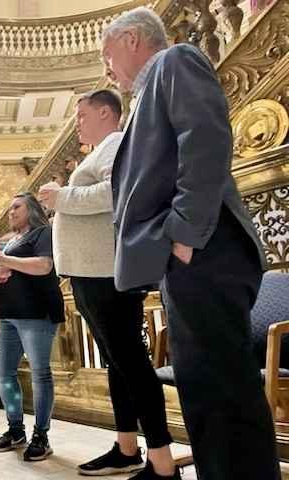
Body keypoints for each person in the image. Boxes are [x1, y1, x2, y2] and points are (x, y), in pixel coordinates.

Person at [102, 7, 280, 480]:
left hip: (206, 248)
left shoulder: (175, 60)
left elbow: (205, 138)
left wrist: (184, 232)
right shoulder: (150, 88)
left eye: (108, 55)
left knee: (222, 394)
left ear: (133, 40)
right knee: (206, 391)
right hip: (193, 254)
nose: (107, 69)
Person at [38, 90, 178, 479]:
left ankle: (163, 463)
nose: (77, 122)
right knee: (119, 364)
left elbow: (117, 194)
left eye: (82, 115)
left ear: (105, 112)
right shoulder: (100, 150)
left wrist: (61, 196)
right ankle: (126, 447)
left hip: (105, 273)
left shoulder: (115, 144)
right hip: (92, 271)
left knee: (131, 363)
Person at [0, 192, 64, 462]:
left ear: (31, 209)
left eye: (16, 207)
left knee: (40, 373)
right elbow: (9, 270)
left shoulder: (43, 232)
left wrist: (3, 260)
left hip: (36, 312)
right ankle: (16, 430)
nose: (10, 212)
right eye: (9, 208)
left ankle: (41, 435)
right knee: (3, 371)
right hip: (8, 315)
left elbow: (44, 266)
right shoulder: (13, 241)